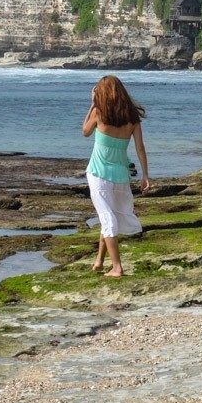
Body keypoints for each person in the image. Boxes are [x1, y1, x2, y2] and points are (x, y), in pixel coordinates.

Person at [82, 75, 150, 277]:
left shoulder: (98, 112)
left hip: (98, 173)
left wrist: (92, 104)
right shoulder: (132, 118)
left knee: (107, 218)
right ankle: (99, 262)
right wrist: (145, 175)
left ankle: (117, 267)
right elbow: (140, 148)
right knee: (109, 216)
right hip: (121, 174)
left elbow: (85, 132)